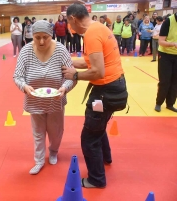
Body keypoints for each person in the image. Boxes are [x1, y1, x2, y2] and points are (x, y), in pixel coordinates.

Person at [62, 3, 128, 188]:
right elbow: (91, 61)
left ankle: (96, 179)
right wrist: (68, 63)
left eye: (69, 22)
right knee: (99, 126)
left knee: (89, 137)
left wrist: (74, 75)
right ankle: (106, 158)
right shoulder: (99, 28)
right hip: (116, 87)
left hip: (106, 91)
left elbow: (98, 71)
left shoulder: (91, 34)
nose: (70, 27)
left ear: (73, 19)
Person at [13, 20, 76, 175]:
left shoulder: (61, 50)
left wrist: (64, 88)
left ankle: (53, 151)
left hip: (56, 101)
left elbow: (71, 76)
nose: (41, 41)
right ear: (31, 36)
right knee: (38, 132)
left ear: (51, 35)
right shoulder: (26, 51)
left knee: (56, 132)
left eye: (45, 37)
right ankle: (39, 160)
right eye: (37, 37)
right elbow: (18, 76)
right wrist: (24, 87)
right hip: (34, 100)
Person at [155, 12, 177, 113]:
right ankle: (159, 103)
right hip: (165, 55)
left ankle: (170, 104)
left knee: (175, 81)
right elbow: (161, 41)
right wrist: (173, 44)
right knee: (165, 81)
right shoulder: (168, 21)